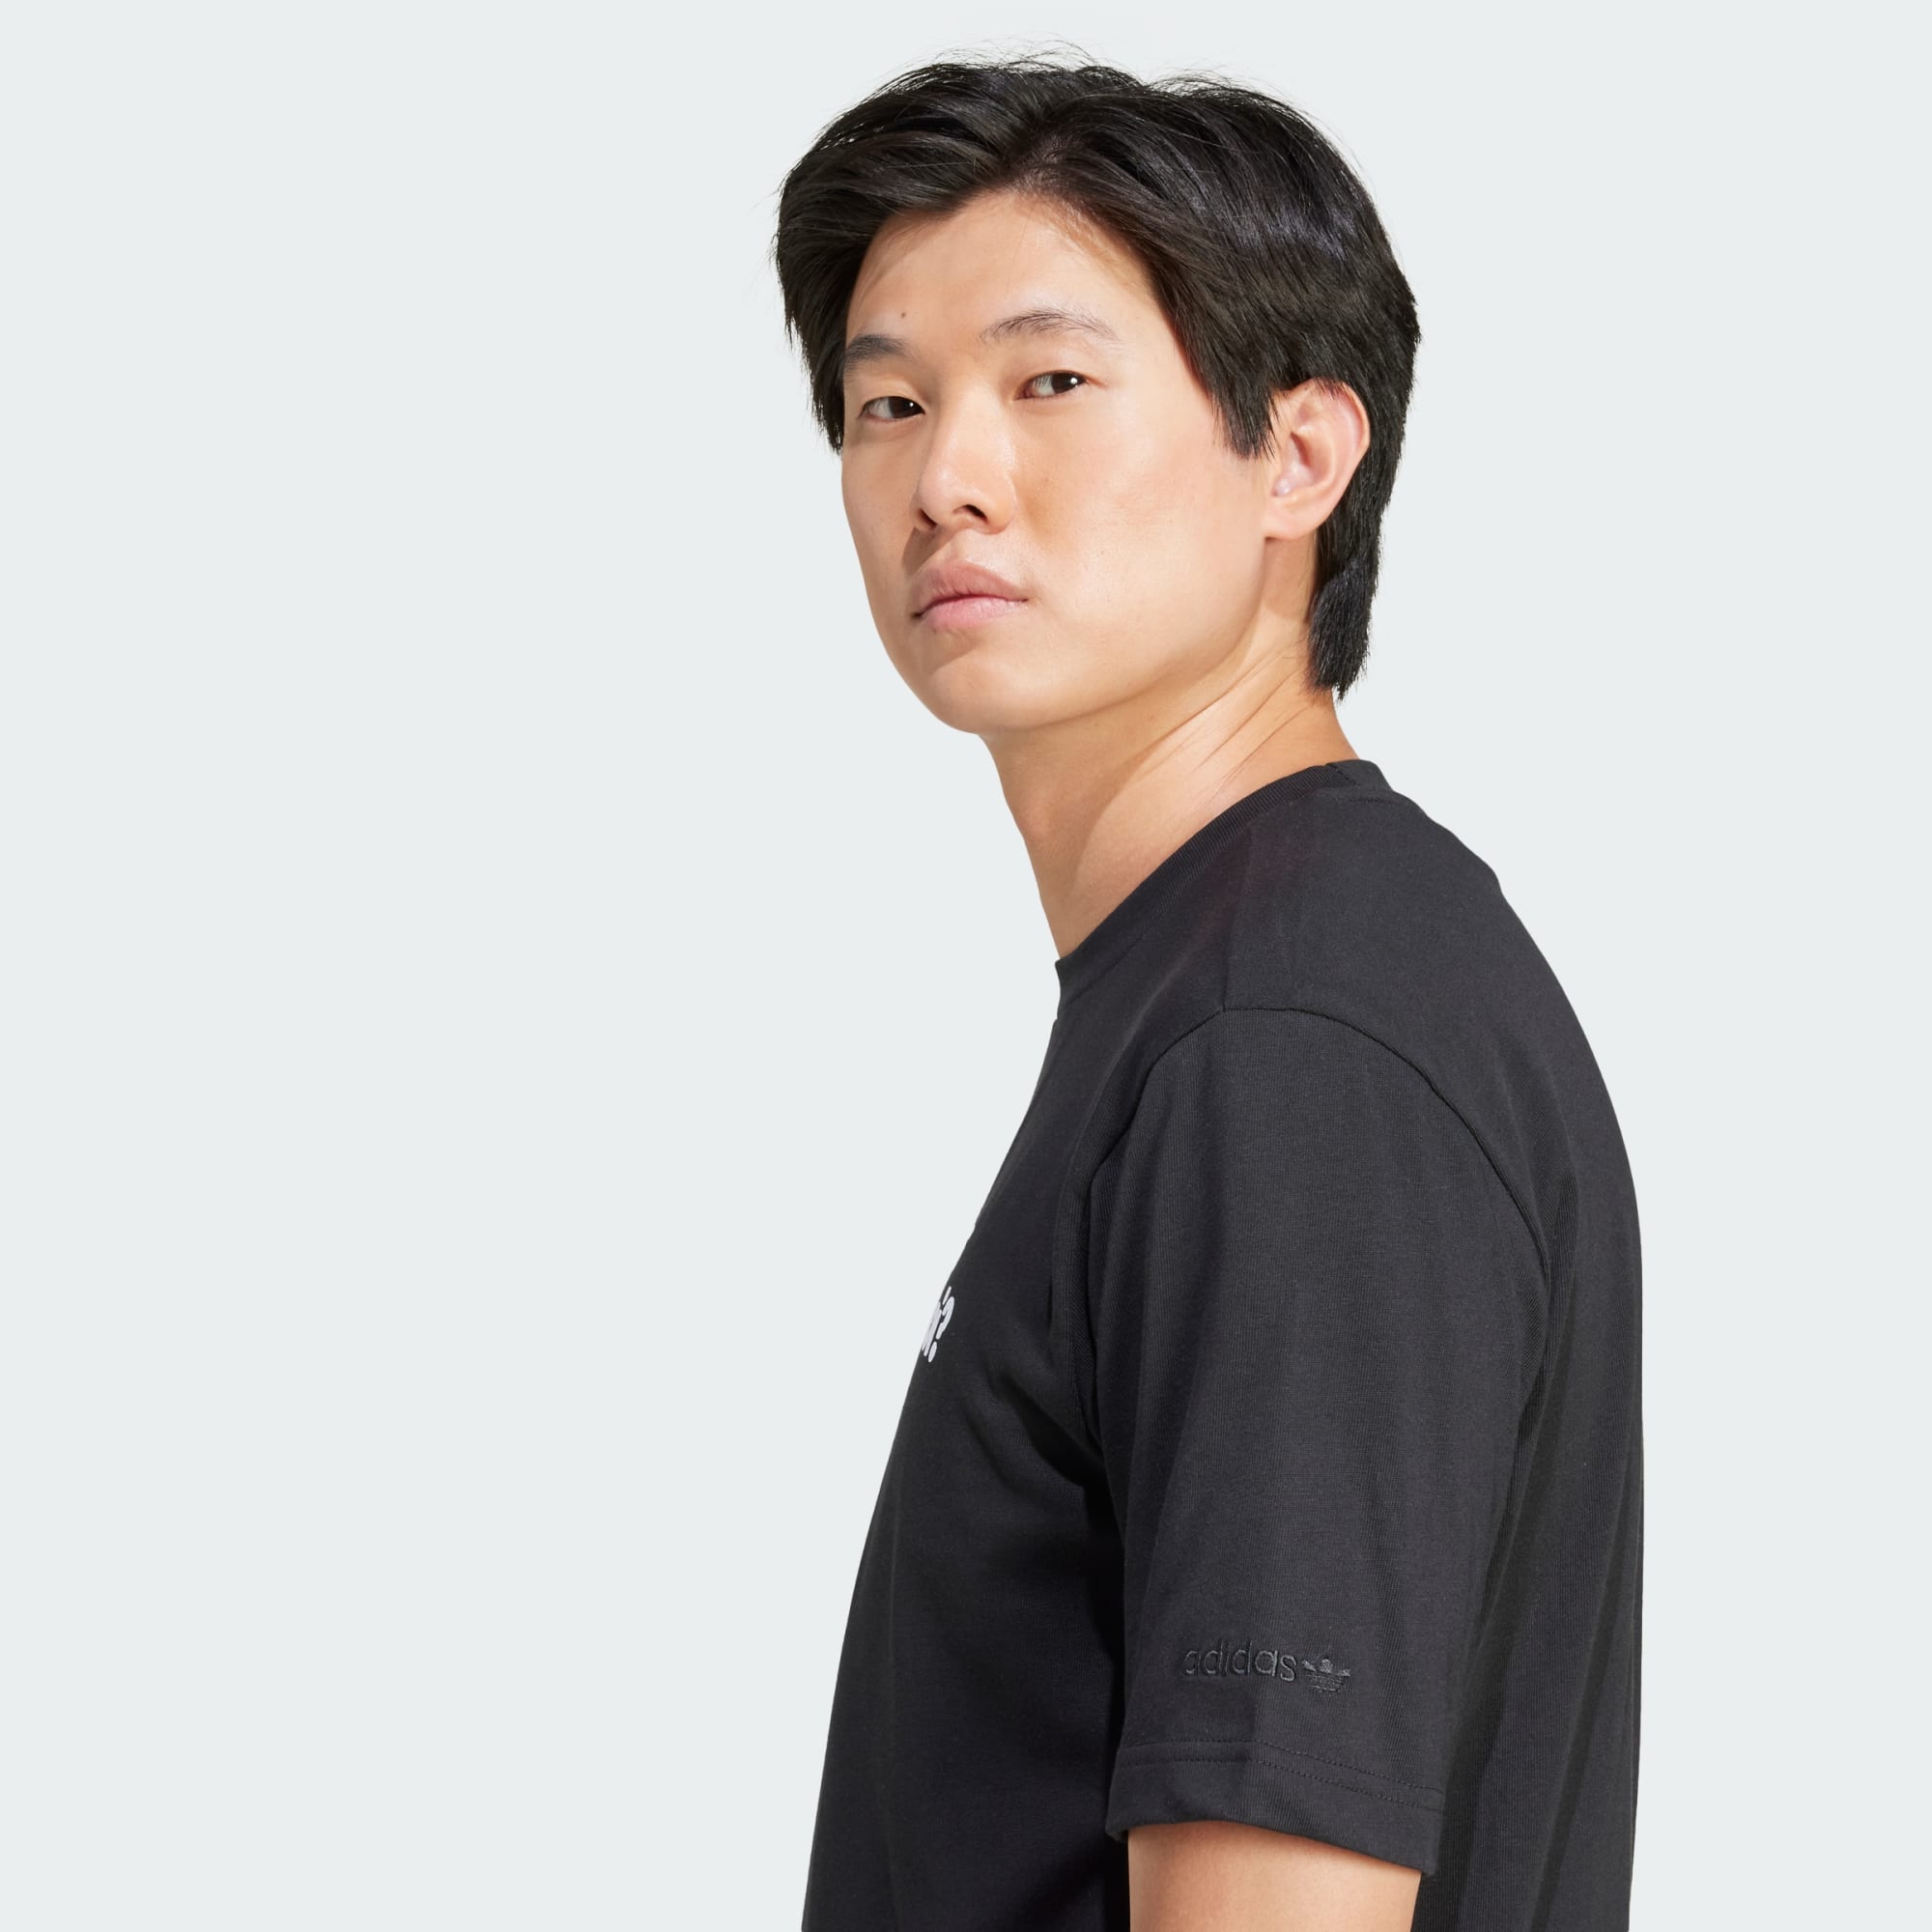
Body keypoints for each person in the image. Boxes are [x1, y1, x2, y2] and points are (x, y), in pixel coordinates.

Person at [771, 52, 1642, 1932]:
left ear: (1298, 457)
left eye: (1048, 383)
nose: (946, 479)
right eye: (887, 402)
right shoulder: (1235, 985)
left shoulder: (1288, 1049)